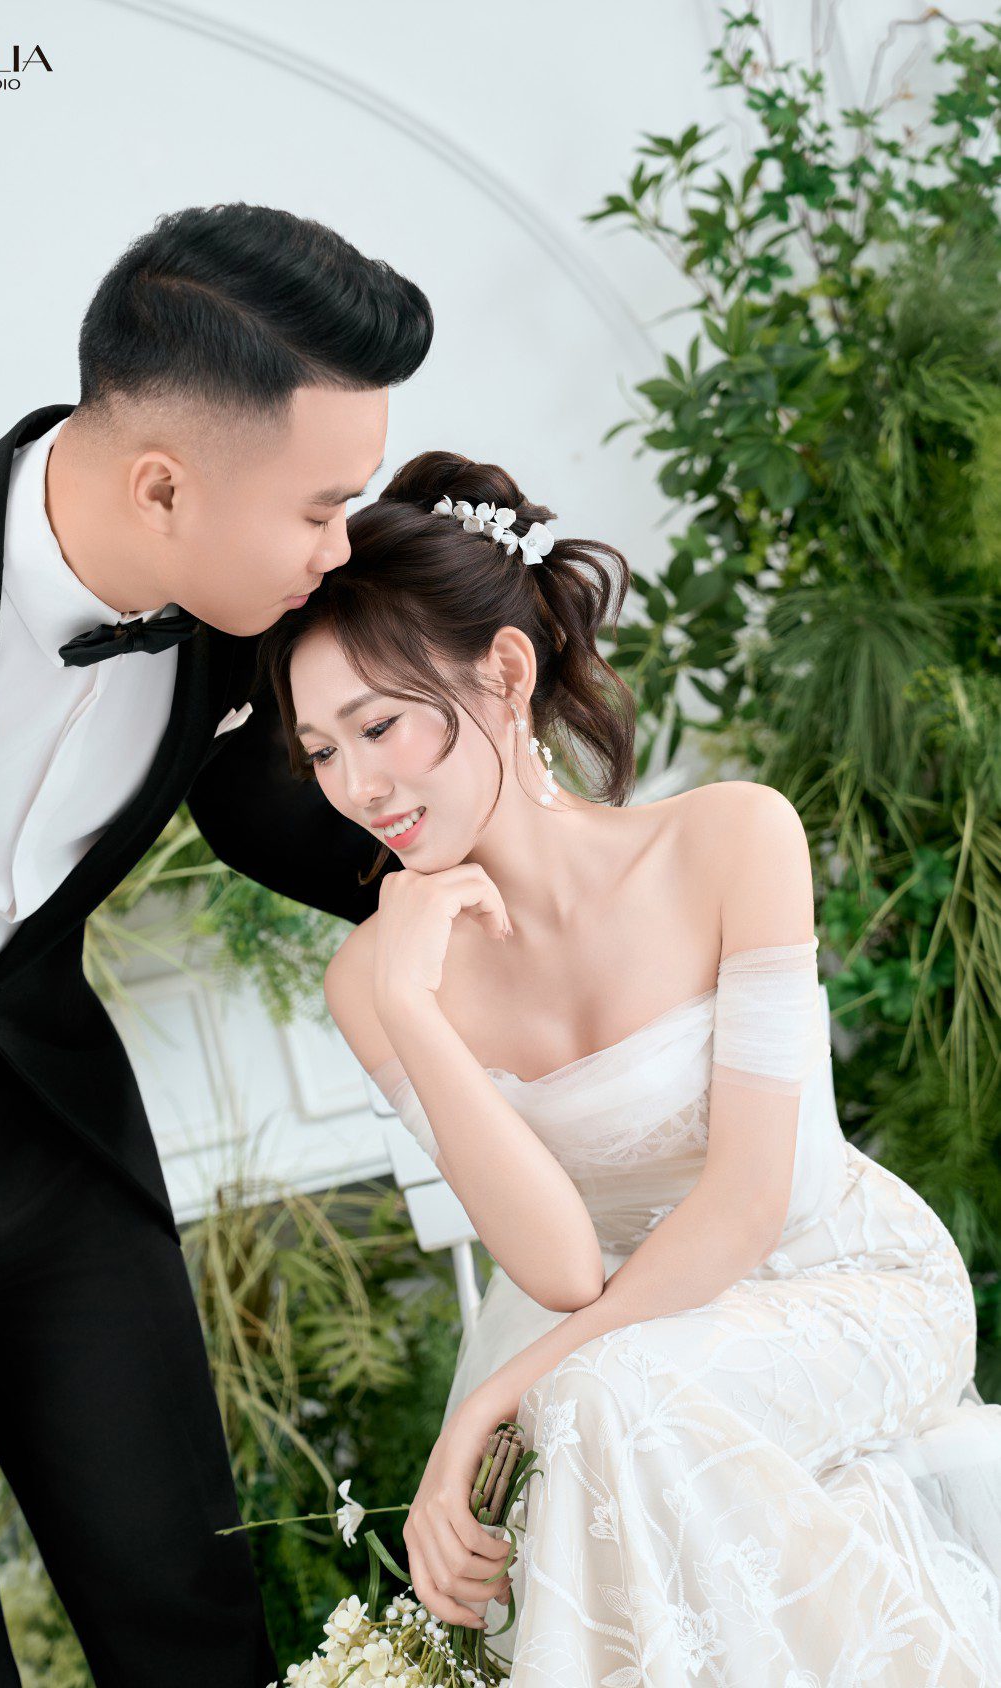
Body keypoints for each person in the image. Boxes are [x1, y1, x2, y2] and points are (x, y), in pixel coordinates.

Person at [0, 203, 429, 1687]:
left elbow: (274, 811)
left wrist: (462, 883)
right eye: (320, 506)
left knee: (194, 1622)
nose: (339, 545)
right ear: (163, 483)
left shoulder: (244, 609)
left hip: (59, 1147)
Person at [257, 448, 1001, 1684]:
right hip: (604, 1331)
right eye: (322, 750)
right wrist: (408, 1004)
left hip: (834, 1277)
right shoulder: (376, 978)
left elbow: (748, 1197)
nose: (358, 785)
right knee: (607, 1398)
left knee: (600, 1398)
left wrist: (498, 1396)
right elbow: (555, 1266)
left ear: (505, 673)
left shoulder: (730, 837)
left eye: (379, 725)